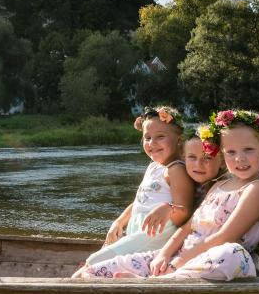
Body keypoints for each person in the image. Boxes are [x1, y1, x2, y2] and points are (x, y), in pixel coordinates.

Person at [74, 109, 259, 280]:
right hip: (181, 256)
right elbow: (188, 227)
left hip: (211, 261)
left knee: (233, 253)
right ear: (222, 154)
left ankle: (154, 284)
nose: (239, 158)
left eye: (248, 149)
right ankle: (154, 281)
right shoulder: (221, 184)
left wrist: (178, 262)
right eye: (230, 152)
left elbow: (224, 237)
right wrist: (164, 254)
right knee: (90, 272)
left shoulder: (257, 189)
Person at [81, 106, 196, 267]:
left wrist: (169, 208)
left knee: (94, 262)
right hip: (137, 232)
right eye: (147, 137)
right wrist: (119, 221)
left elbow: (184, 212)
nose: (152, 143)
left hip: (155, 235)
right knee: (96, 261)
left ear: (179, 139)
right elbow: (140, 201)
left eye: (160, 136)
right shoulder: (153, 167)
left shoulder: (176, 169)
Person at [182, 132, 224, 206]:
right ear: (184, 158)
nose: (198, 164)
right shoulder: (181, 181)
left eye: (207, 157)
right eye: (192, 157)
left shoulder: (224, 190)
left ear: (223, 161)